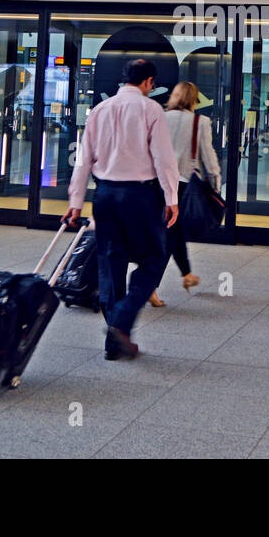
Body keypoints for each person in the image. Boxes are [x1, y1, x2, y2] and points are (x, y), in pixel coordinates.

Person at [66, 58, 179, 361]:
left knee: (111, 262)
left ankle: (114, 343)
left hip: (104, 195)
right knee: (153, 260)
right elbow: (164, 159)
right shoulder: (151, 109)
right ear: (148, 82)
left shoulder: (100, 110)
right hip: (139, 196)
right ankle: (121, 321)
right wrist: (172, 197)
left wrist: (75, 202)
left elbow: (83, 159)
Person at [149, 81, 221, 307]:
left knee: (173, 233)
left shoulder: (160, 117)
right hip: (182, 187)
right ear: (194, 99)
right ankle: (150, 286)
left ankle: (187, 274)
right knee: (170, 236)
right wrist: (216, 183)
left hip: (155, 185)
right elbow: (208, 157)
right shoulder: (200, 122)